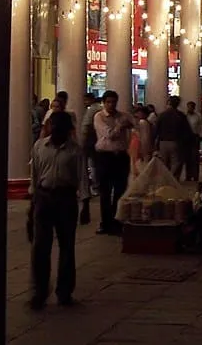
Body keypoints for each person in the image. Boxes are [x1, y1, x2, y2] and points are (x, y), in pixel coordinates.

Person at [28, 111, 89, 310]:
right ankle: (39, 291)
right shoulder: (39, 147)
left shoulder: (75, 151)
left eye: (60, 126)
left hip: (66, 198)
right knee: (40, 247)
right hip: (44, 198)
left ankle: (64, 291)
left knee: (67, 246)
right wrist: (32, 205)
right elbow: (35, 176)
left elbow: (82, 178)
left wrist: (85, 204)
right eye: (52, 125)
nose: (55, 129)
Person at [92, 91, 133, 235]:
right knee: (105, 191)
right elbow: (109, 134)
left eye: (114, 102)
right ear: (104, 102)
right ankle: (105, 222)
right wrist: (120, 126)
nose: (111, 105)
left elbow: (134, 127)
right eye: (108, 102)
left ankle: (116, 221)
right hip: (105, 157)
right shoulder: (99, 117)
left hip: (120, 156)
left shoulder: (122, 116)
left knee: (120, 190)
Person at [156, 96, 193, 179]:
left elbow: (156, 129)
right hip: (176, 142)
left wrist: (155, 143)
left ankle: (165, 179)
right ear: (178, 104)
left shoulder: (162, 115)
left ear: (169, 102)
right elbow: (187, 130)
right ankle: (173, 180)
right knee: (176, 163)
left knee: (164, 163)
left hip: (163, 142)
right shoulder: (180, 115)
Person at [128, 105, 155, 176]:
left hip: (138, 146)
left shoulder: (143, 122)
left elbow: (145, 138)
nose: (136, 115)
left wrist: (143, 150)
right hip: (135, 146)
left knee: (138, 168)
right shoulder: (143, 122)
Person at [185, 101, 202, 181]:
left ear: (194, 107)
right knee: (187, 157)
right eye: (188, 107)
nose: (190, 108)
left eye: (191, 107)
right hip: (187, 138)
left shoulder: (198, 116)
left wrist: (201, 135)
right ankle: (188, 175)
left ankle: (195, 175)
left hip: (195, 137)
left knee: (195, 157)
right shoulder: (185, 116)